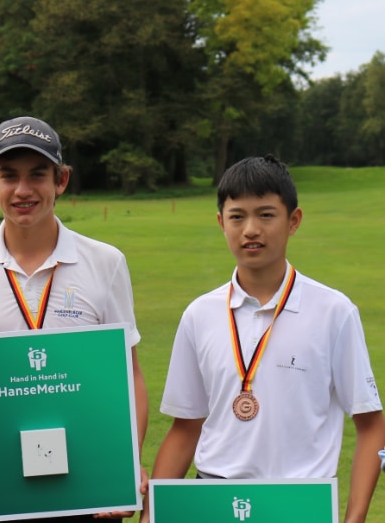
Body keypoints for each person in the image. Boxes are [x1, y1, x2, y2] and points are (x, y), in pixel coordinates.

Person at [147, 155, 385, 523]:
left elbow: (371, 425)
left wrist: (353, 519)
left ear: (294, 221)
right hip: (212, 503)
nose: (251, 229)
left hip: (300, 506)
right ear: (220, 223)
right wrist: (152, 515)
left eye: (266, 214)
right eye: (237, 216)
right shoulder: (199, 314)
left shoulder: (334, 312)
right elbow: (185, 427)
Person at [0, 116, 149, 522]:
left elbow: (129, 376)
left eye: (38, 175)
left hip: (91, 489)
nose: (23, 190)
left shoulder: (106, 262)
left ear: (61, 180)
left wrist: (125, 466)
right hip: (1, 489)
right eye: (8, 176)